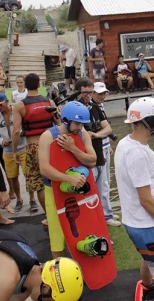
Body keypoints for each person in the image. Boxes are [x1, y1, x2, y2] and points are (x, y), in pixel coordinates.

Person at [115, 98, 154, 301]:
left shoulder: (125, 144)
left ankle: (148, 286)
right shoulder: (140, 155)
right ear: (148, 121)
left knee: (148, 259)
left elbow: (135, 171)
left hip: (132, 222)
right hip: (147, 226)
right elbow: (146, 200)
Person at [38, 101, 97, 259]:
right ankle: (60, 270)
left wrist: (73, 148)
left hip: (79, 190)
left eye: (82, 124)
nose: (80, 127)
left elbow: (92, 161)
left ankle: (84, 268)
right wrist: (68, 179)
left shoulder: (83, 134)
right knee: (57, 237)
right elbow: (44, 168)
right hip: (54, 191)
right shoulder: (48, 136)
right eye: (77, 123)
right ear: (66, 120)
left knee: (83, 230)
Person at [75, 78, 120, 226]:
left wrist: (96, 135)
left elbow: (107, 128)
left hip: (100, 151)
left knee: (104, 184)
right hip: (86, 155)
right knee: (89, 188)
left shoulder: (95, 107)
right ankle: (94, 217)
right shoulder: (75, 108)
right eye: (85, 93)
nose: (88, 95)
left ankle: (105, 215)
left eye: (90, 92)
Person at [12, 73, 55, 216]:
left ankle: (48, 216)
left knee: (39, 184)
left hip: (33, 146)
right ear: (39, 84)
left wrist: (14, 150)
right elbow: (59, 124)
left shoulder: (20, 106)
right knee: (54, 179)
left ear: (24, 84)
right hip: (51, 146)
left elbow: (16, 130)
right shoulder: (50, 102)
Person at [0, 93, 27, 212]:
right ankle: (19, 198)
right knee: (12, 176)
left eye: (0, 105)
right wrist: (0, 141)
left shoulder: (17, 110)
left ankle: (32, 198)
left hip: (23, 147)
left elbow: (26, 125)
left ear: (7, 101)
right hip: (7, 150)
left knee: (28, 174)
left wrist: (20, 133)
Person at [91, 82, 121, 227]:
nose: (103, 96)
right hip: (98, 148)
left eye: (104, 93)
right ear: (92, 93)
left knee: (107, 181)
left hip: (104, 146)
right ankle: (106, 214)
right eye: (100, 93)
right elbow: (105, 130)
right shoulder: (92, 108)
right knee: (102, 183)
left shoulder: (100, 106)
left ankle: (106, 209)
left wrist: (108, 145)